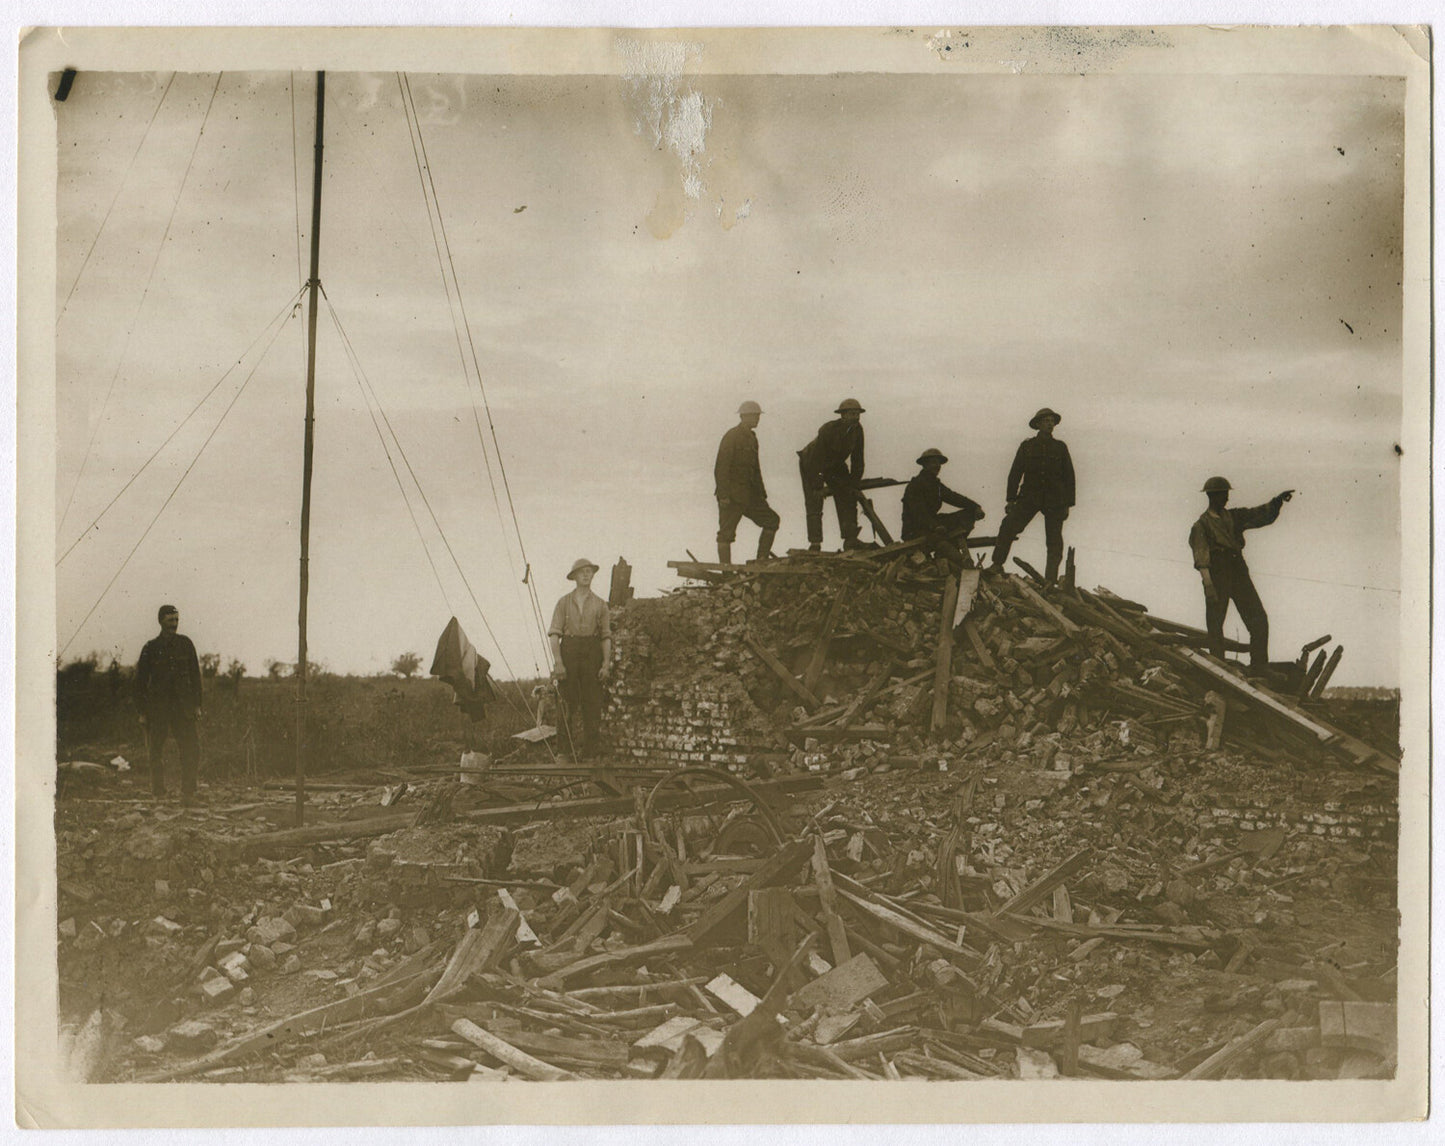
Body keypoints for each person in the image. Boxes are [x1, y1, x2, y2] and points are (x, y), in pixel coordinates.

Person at [1189, 477, 1293, 669]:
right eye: (1224, 495)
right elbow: (1201, 559)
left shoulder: (1234, 517)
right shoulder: (1201, 525)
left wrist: (1277, 501)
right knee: (1215, 624)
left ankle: (1259, 668)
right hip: (1216, 573)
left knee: (1259, 619)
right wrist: (1209, 585)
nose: (1227, 499)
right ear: (1213, 496)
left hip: (1238, 569)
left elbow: (1259, 515)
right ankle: (1218, 669)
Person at [989, 407, 1075, 584]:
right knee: (1008, 526)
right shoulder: (1027, 446)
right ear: (1038, 424)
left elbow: (1069, 476)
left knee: (1054, 541)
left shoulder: (1060, 447)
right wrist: (1011, 499)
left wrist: (1068, 504)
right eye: (1046, 421)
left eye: (1052, 421)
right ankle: (997, 564)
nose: (1050, 424)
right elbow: (1015, 473)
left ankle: (1050, 580)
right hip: (1029, 497)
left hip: (1055, 500)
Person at [133, 603, 203, 804]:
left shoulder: (186, 644)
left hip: (183, 709)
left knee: (191, 749)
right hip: (159, 709)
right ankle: (158, 793)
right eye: (170, 620)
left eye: (177, 620)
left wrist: (197, 705)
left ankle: (188, 793)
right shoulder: (151, 648)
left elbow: (195, 677)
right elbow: (140, 683)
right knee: (155, 751)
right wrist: (142, 712)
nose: (174, 624)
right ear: (161, 621)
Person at [548, 558, 613, 760]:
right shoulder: (563, 603)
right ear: (574, 576)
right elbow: (554, 634)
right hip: (569, 649)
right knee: (567, 702)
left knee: (592, 703)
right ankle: (564, 752)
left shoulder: (601, 604)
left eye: (590, 571)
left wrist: (605, 663)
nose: (587, 575)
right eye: (582, 572)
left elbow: (605, 637)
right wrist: (558, 662)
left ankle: (589, 753)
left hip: (592, 651)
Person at [714, 400, 780, 564]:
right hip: (732, 496)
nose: (757, 419)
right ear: (743, 416)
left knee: (772, 520)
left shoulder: (752, 438)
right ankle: (726, 572)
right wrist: (723, 495)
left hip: (750, 495)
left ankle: (761, 561)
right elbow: (721, 466)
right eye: (754, 416)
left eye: (758, 416)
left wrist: (762, 494)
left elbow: (755, 469)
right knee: (726, 534)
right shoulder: (732, 436)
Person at [901, 448, 985, 573]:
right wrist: (935, 526)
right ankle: (956, 559)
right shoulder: (916, 484)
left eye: (938, 463)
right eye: (933, 462)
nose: (937, 466)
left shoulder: (936, 485)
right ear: (925, 465)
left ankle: (949, 548)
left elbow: (953, 497)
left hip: (934, 526)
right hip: (915, 529)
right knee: (940, 541)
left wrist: (975, 506)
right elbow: (918, 512)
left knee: (968, 514)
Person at [798, 398, 866, 551]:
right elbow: (816, 458)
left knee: (848, 495)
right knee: (814, 499)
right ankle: (815, 543)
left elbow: (858, 459)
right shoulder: (828, 429)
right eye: (852, 414)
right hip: (811, 462)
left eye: (857, 414)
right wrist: (817, 485)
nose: (856, 417)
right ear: (842, 415)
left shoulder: (857, 430)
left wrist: (854, 483)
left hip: (835, 464)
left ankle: (850, 538)